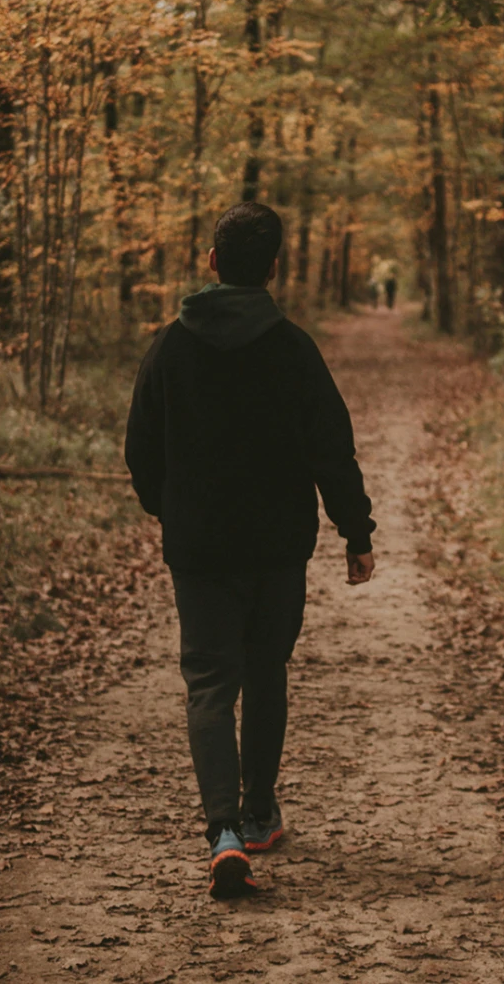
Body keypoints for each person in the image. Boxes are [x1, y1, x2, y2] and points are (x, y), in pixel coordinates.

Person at [125, 203, 378, 899]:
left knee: (210, 682)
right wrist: (356, 532)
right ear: (273, 268)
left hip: (200, 547)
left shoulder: (170, 348)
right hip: (277, 548)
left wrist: (170, 508)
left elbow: (140, 449)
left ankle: (224, 833)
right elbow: (332, 449)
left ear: (212, 261)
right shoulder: (293, 349)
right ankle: (260, 812)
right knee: (266, 669)